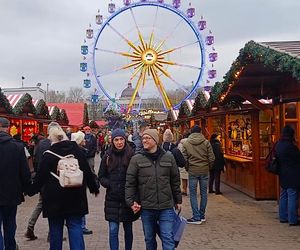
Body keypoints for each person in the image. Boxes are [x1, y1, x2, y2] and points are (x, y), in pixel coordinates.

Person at [27, 123, 99, 250]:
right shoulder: (77, 150)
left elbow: (40, 178)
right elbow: (87, 171)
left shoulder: (48, 154)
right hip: (76, 196)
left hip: (54, 199)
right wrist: (94, 188)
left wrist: (30, 190)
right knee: (75, 227)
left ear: (51, 137)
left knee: (55, 230)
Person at [125, 128, 182, 250]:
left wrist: (178, 200)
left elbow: (175, 180)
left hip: (166, 206)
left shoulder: (169, 157)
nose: (144, 140)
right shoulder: (137, 159)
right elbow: (130, 183)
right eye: (143, 138)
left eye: (148, 138)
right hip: (147, 207)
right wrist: (131, 202)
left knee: (167, 237)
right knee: (149, 239)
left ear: (155, 140)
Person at [99, 128, 137, 250]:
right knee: (113, 230)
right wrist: (109, 184)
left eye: (121, 139)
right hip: (112, 199)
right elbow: (101, 176)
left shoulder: (132, 155)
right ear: (112, 141)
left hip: (128, 198)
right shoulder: (107, 156)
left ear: (125, 140)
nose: (119, 142)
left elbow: (137, 176)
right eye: (116, 139)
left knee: (128, 229)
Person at [0, 117, 31, 249]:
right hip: (12, 193)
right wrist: (27, 188)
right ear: (8, 128)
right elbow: (25, 172)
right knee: (10, 223)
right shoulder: (18, 147)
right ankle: (10, 246)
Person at [182, 125, 215, 224]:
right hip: (204, 170)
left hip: (192, 171)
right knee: (204, 193)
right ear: (200, 132)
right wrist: (208, 167)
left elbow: (184, 158)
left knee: (193, 194)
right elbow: (212, 158)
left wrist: (188, 167)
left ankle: (196, 217)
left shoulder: (186, 143)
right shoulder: (206, 142)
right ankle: (202, 215)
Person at [24, 123, 52, 240]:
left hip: (41, 179)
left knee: (41, 204)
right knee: (52, 206)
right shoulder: (51, 144)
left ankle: (30, 227)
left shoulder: (39, 146)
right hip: (51, 180)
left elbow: (35, 162)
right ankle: (52, 234)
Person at [275, 125, 300, 226]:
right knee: (292, 196)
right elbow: (298, 158)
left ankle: (283, 217)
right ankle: (292, 219)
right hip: (293, 174)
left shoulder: (278, 144)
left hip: (283, 173)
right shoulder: (290, 146)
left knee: (284, 195)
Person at [71, 131, 93, 235]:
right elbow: (86, 170)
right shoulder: (81, 152)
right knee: (80, 203)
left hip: (75, 181)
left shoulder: (78, 151)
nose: (85, 140)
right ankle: (82, 226)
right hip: (79, 181)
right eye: (83, 139)